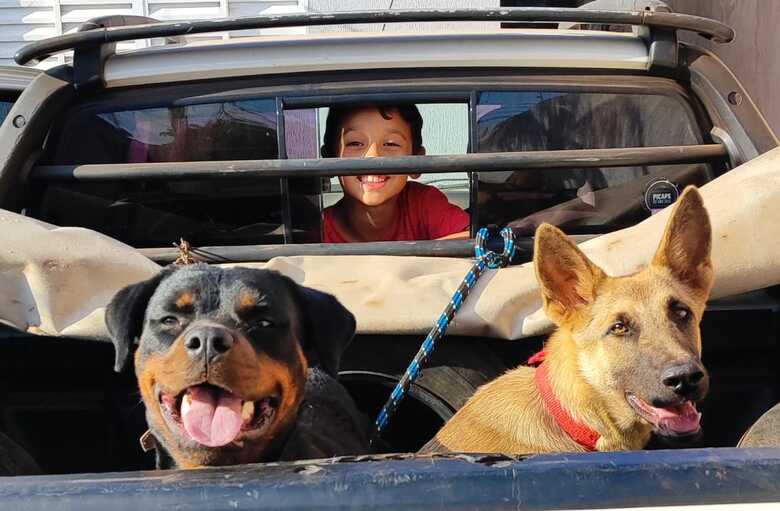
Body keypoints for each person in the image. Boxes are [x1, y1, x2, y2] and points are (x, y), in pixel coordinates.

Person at [320, 104, 469, 243]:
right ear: (329, 158)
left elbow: (473, 239)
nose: (373, 157)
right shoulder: (316, 228)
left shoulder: (422, 203)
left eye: (391, 143)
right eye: (355, 143)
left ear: (417, 160)